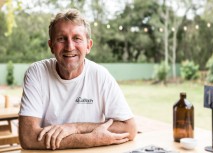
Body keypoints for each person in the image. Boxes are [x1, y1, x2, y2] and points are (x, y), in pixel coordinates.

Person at [18, 8, 137, 150]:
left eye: (77, 38)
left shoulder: (100, 75)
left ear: (88, 46)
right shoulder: (37, 73)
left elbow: (129, 128)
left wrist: (74, 127)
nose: (69, 46)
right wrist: (89, 140)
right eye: (61, 38)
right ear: (51, 46)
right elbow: (28, 137)